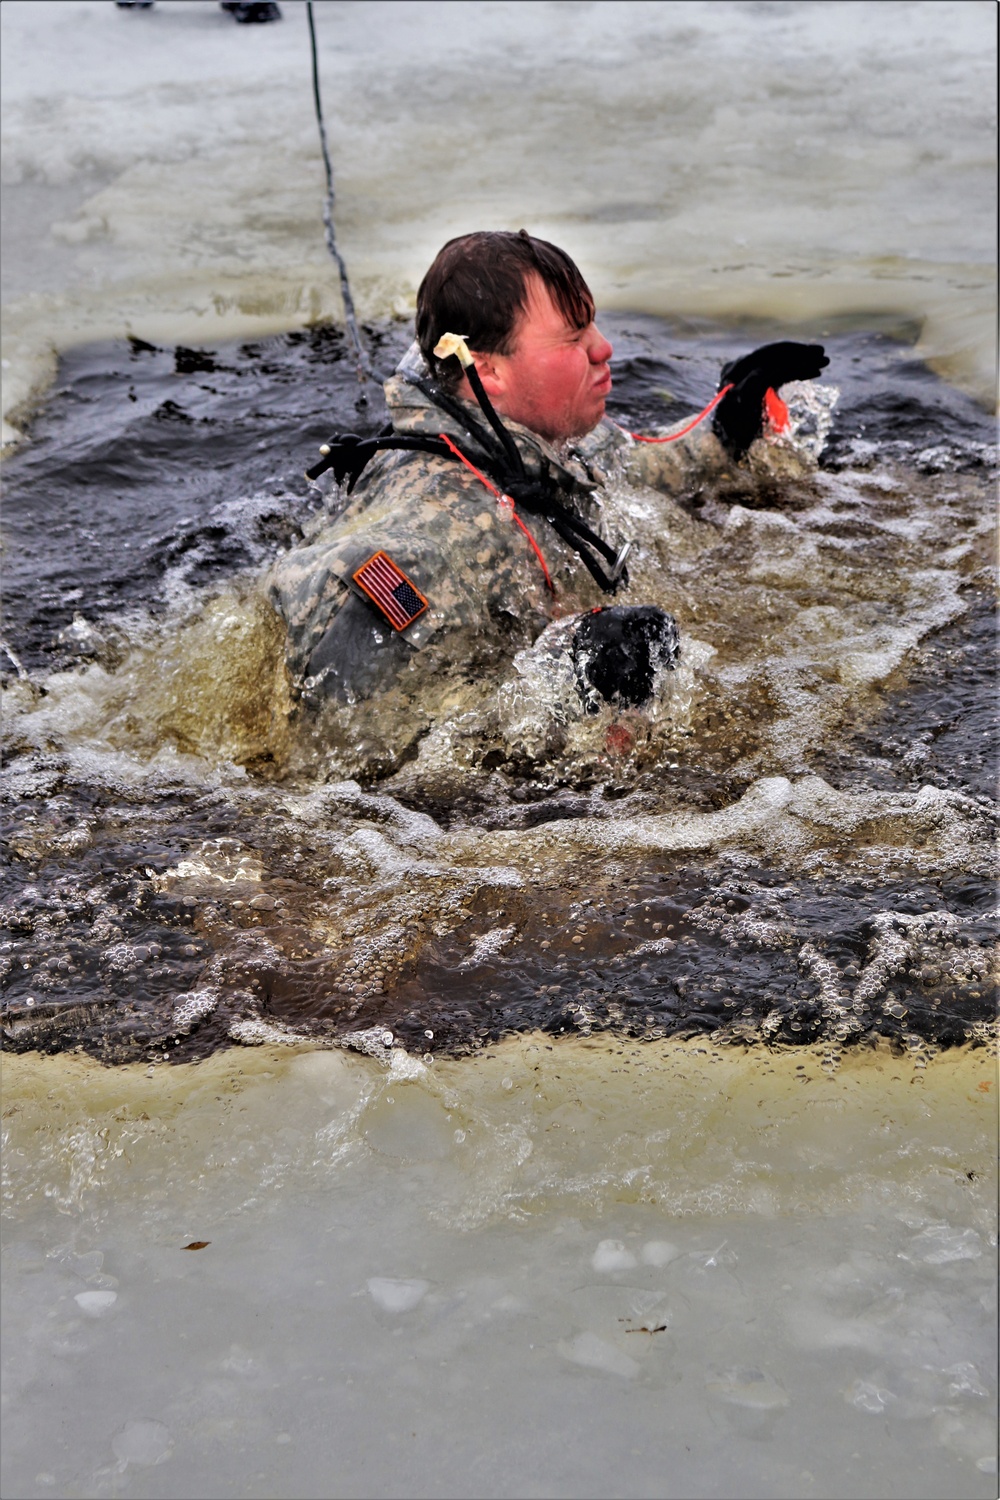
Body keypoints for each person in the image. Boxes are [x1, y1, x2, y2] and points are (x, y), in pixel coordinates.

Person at [269, 229, 827, 727]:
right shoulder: (425, 545)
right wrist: (567, 678)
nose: (604, 348)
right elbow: (338, 746)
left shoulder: (539, 441)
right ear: (487, 369)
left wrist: (727, 423)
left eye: (594, 326)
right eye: (573, 338)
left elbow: (636, 468)